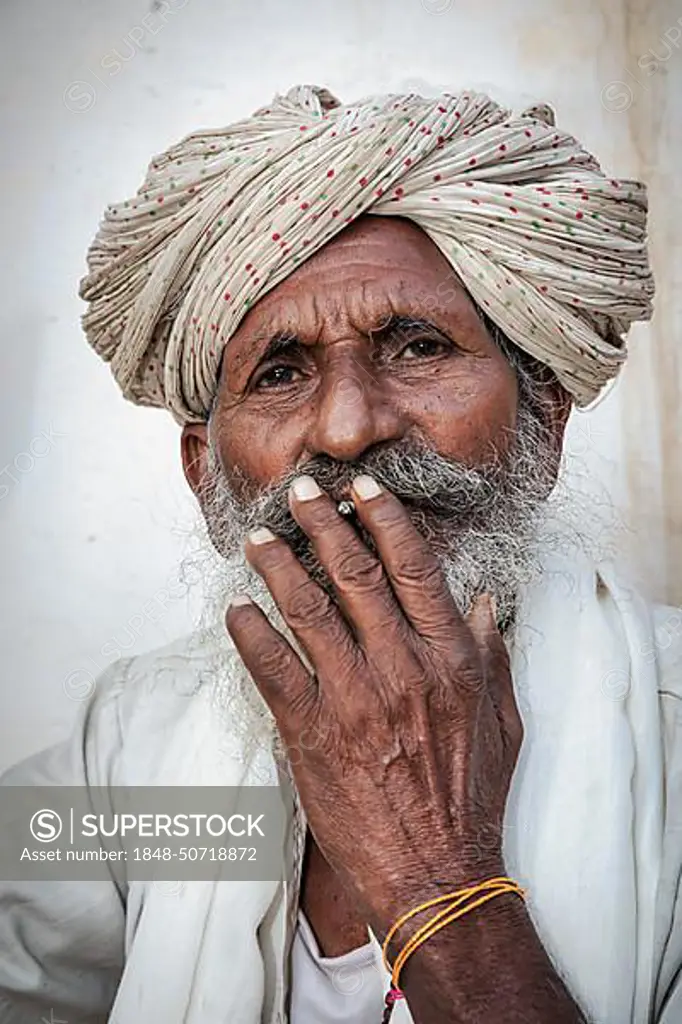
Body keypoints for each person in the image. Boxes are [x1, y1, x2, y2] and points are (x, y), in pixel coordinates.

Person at [0, 84, 680, 1024]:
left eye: (417, 347)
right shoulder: (137, 740)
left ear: (545, 427)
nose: (351, 428)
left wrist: (432, 874)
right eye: (281, 373)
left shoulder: (672, 740)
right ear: (206, 475)